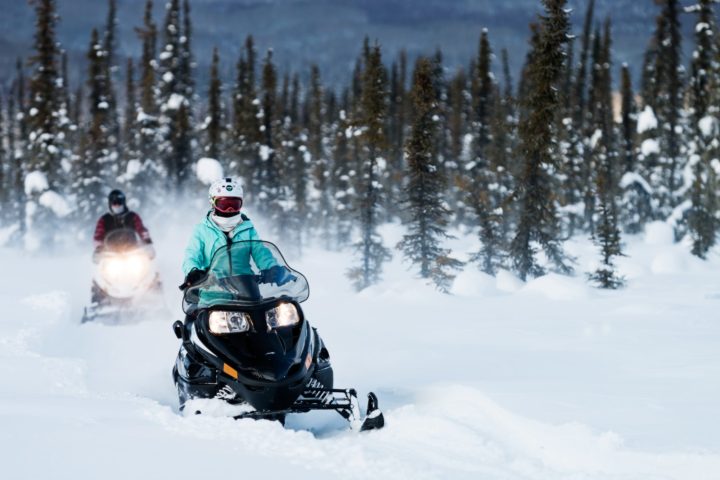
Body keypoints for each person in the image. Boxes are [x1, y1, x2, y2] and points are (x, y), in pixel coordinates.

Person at [180, 177, 292, 291]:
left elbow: (260, 251)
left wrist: (272, 268)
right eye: (224, 204)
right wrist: (193, 271)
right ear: (213, 203)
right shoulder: (202, 230)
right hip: (213, 292)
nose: (229, 209)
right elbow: (192, 255)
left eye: (234, 204)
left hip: (247, 289)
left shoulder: (247, 228)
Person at [93, 189, 153, 258]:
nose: (117, 206)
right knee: (102, 267)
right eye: (114, 203)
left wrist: (147, 242)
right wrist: (98, 248)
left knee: (146, 264)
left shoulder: (132, 216)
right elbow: (98, 235)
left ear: (124, 203)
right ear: (110, 204)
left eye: (119, 203)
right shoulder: (104, 219)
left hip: (132, 252)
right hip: (111, 255)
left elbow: (141, 229)